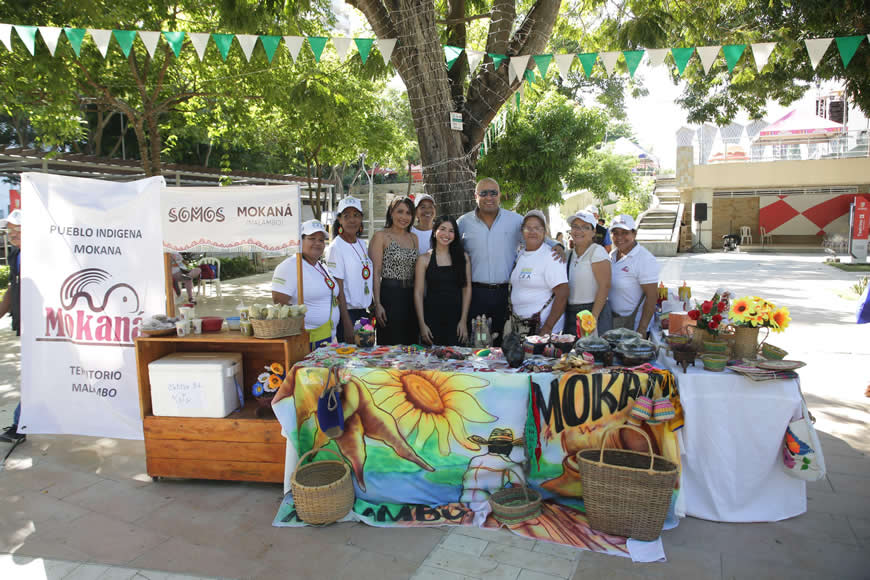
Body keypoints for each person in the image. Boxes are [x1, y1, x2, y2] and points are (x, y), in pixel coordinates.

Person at [458, 178, 563, 345]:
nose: (489, 197)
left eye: (493, 193)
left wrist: (557, 245)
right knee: (478, 342)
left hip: (505, 296)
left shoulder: (515, 220)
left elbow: (535, 233)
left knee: (503, 344)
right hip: (476, 295)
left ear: (500, 195)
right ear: (475, 196)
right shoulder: (463, 223)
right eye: (483, 193)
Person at [272, 220, 353, 349]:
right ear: (300, 241)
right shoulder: (289, 266)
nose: (318, 243)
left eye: (321, 240)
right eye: (312, 238)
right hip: (307, 340)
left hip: (327, 337)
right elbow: (279, 302)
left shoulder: (320, 265)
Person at [509, 211, 569, 337]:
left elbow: (562, 294)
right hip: (522, 328)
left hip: (543, 333)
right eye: (528, 228)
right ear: (522, 231)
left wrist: (547, 328)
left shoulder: (552, 257)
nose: (532, 232)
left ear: (544, 232)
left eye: (537, 228)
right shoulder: (521, 255)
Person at [414, 216, 471, 346]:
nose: (446, 234)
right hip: (431, 319)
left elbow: (466, 289)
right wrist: (422, 325)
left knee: (456, 357)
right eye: (443, 229)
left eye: (451, 231)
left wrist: (463, 321)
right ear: (434, 232)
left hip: (456, 320)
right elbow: (418, 293)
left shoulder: (463, 258)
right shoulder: (424, 259)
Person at [369, 197, 419, 345]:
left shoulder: (414, 238)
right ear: (391, 212)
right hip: (389, 297)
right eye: (400, 211)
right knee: (390, 346)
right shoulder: (381, 236)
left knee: (411, 346)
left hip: (411, 298)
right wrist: (377, 304)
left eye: (408, 213)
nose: (404, 217)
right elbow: (376, 272)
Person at [326, 197, 372, 343]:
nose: (352, 220)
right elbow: (338, 288)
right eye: (346, 216)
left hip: (363, 313)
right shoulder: (336, 247)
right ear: (339, 220)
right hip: (347, 314)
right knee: (351, 355)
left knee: (366, 353)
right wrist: (346, 323)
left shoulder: (362, 244)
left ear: (361, 218)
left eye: (356, 215)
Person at [608, 214, 659, 336]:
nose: (619, 237)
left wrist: (642, 329)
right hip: (614, 323)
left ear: (634, 234)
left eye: (625, 233)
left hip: (634, 327)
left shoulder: (645, 259)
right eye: (615, 233)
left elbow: (652, 296)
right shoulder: (612, 255)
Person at [564, 210, 612, 335]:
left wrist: (592, 319)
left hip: (593, 312)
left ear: (593, 231)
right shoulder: (569, 254)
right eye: (575, 226)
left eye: (585, 227)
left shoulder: (597, 252)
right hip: (571, 313)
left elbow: (605, 286)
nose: (579, 231)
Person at [0, 210, 25, 443]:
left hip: (46, 325)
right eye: (10, 230)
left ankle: (20, 424)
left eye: (18, 229)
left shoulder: (42, 253)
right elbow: (12, 287)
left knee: (34, 374)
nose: (13, 234)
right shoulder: (16, 254)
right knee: (33, 374)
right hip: (26, 324)